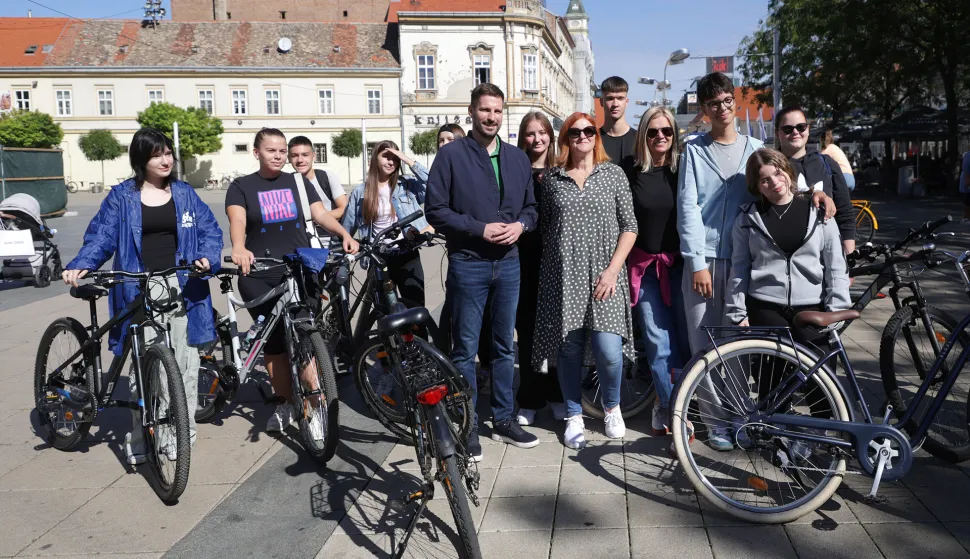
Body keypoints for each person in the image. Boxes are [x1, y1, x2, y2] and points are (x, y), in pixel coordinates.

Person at [678, 73, 834, 451]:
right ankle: (716, 422)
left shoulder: (753, 145)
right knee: (705, 343)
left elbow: (781, 179)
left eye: (727, 100)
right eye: (714, 104)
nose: (723, 109)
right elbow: (688, 208)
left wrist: (818, 196)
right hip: (708, 259)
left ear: (735, 102)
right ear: (704, 109)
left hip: (749, 259)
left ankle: (742, 416)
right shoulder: (695, 151)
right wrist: (697, 261)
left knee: (741, 344)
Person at [62, 128, 223, 465]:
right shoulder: (122, 196)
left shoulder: (184, 193)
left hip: (182, 285)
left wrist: (209, 255)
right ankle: (141, 436)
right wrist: (81, 264)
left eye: (167, 153)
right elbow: (102, 235)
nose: (165, 160)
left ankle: (180, 438)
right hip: (138, 286)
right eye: (156, 155)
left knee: (186, 365)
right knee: (145, 369)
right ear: (141, 160)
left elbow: (209, 229)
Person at [426, 83, 540, 461]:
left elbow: (531, 209)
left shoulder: (516, 158)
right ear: (471, 112)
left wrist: (521, 226)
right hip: (469, 262)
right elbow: (436, 210)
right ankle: (468, 425)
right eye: (485, 110)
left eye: (497, 111)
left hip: (508, 264)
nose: (491, 117)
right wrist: (479, 228)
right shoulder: (451, 156)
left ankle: (504, 419)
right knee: (466, 350)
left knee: (506, 345)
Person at [226, 128, 358, 436]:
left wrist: (344, 234)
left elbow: (321, 215)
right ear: (256, 152)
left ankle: (313, 403)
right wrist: (238, 247)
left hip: (299, 268)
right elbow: (238, 220)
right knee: (274, 345)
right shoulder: (242, 186)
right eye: (271, 150)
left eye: (282, 150)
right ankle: (284, 402)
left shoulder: (298, 182)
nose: (278, 155)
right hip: (260, 271)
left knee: (304, 336)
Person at [534, 112, 638, 450]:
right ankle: (574, 414)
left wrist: (612, 271)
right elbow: (547, 229)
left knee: (609, 351)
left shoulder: (614, 175)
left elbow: (630, 226)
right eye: (574, 131)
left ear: (597, 135)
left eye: (588, 130)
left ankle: (611, 407)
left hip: (606, 274)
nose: (582, 136)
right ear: (565, 138)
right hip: (564, 276)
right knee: (569, 350)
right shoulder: (553, 180)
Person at [726, 148, 850, 344]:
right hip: (764, 307)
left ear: (787, 170)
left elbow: (835, 263)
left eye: (777, 173)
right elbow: (740, 268)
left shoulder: (817, 210)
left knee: (819, 370)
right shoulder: (747, 218)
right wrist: (737, 311)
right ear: (757, 186)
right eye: (764, 179)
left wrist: (838, 308)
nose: (774, 182)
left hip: (811, 308)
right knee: (774, 373)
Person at [627, 107, 690, 437]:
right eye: (653, 132)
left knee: (684, 341)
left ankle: (674, 402)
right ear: (643, 135)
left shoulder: (685, 169)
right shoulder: (631, 170)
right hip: (645, 268)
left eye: (667, 131)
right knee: (656, 342)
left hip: (681, 267)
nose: (661, 137)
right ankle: (674, 413)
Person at [514, 111, 566, 426]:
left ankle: (558, 395)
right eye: (531, 134)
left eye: (542, 132)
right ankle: (531, 398)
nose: (538, 139)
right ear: (523, 137)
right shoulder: (517, 168)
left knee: (559, 330)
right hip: (524, 257)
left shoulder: (562, 168)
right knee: (529, 328)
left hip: (557, 257)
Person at [436, 122, 494, 392]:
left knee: (480, 328)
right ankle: (463, 402)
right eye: (441, 139)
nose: (444, 144)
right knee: (460, 330)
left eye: (449, 138)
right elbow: (436, 208)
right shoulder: (446, 162)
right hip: (463, 258)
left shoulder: (473, 161)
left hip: (490, 258)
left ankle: (483, 372)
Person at [342, 140, 432, 306]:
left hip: (407, 254)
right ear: (375, 158)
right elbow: (346, 229)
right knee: (384, 316)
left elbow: (433, 184)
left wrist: (406, 159)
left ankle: (416, 334)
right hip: (378, 259)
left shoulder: (407, 186)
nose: (391, 161)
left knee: (416, 312)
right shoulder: (360, 193)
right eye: (386, 156)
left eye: (395, 158)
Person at [775, 108, 856, 254]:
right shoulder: (771, 169)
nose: (795, 132)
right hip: (787, 256)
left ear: (808, 129)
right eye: (787, 129)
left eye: (801, 127)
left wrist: (848, 260)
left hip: (827, 254)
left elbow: (845, 213)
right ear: (777, 133)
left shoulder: (827, 163)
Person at [287, 136, 348, 224]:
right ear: (289, 158)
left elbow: (344, 208)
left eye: (305, 155)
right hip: (300, 236)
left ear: (314, 156)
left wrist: (315, 219)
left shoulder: (326, 177)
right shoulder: (287, 182)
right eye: (295, 156)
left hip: (328, 234)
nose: (300, 160)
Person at [598, 76, 637, 177]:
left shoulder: (639, 139)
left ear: (626, 102)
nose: (615, 104)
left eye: (620, 98)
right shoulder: (593, 139)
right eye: (610, 98)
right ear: (601, 102)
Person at [960, 149, 970, 224]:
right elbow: (966, 170)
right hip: (968, 181)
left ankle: (966, 217)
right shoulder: (968, 156)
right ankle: (965, 218)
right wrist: (967, 182)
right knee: (968, 200)